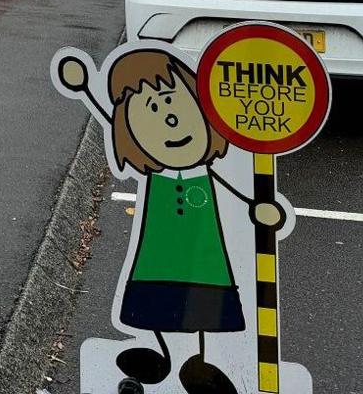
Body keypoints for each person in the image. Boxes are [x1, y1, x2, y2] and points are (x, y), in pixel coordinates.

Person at [54, 47, 284, 393]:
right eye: (153, 109)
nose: (170, 119)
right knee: (155, 301)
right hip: (157, 255)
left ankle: (199, 363)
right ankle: (161, 354)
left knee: (205, 304)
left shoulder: (205, 173)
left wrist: (259, 209)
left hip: (205, 257)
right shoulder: (153, 176)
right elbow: (110, 116)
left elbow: (238, 193)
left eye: (173, 101)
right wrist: (85, 87)